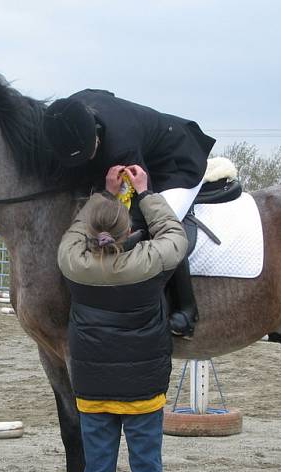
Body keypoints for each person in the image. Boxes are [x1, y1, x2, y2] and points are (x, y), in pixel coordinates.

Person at [57, 164, 187, 472]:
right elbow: (175, 236)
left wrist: (103, 197)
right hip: (143, 392)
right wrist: (146, 193)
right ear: (128, 228)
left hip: (93, 393)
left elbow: (75, 236)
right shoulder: (147, 263)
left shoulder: (73, 263)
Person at [44, 90, 216, 338]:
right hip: (138, 149)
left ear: (95, 132)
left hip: (174, 161)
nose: (88, 159)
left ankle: (186, 310)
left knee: (157, 222)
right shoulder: (70, 113)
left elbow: (136, 195)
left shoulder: (121, 144)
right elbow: (104, 94)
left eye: (90, 152)